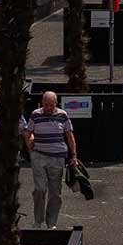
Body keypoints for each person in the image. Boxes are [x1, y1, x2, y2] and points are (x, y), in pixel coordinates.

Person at [26, 90, 80, 229]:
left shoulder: (62, 115)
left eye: (51, 105)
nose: (49, 108)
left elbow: (69, 136)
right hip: (39, 155)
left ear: (56, 103)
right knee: (39, 189)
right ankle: (38, 221)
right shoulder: (35, 114)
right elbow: (29, 132)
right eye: (46, 105)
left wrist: (74, 156)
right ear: (42, 103)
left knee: (55, 192)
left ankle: (51, 223)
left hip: (57, 157)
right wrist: (30, 148)